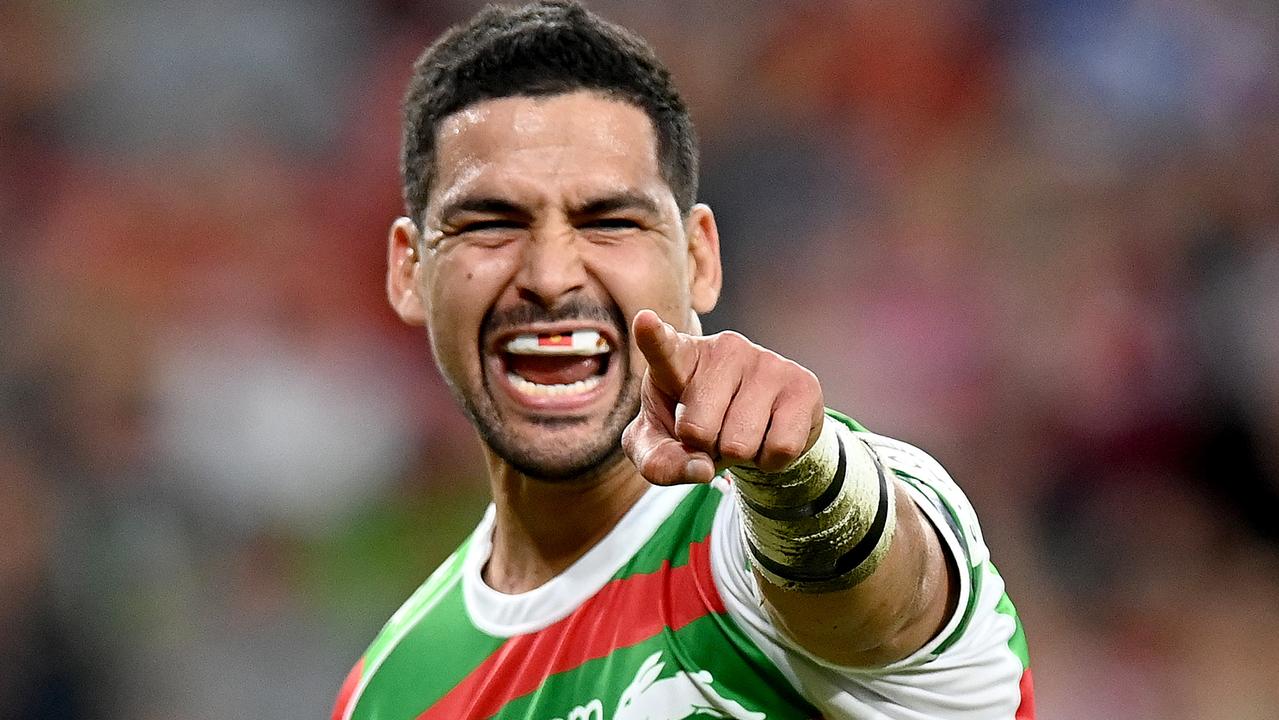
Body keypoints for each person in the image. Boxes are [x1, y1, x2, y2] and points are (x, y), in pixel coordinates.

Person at [332, 2, 1032, 718]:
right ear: (408, 269)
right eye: (489, 223)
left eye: (608, 220)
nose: (548, 274)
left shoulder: (748, 539)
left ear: (699, 258)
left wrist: (802, 483)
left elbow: (878, 593)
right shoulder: (388, 694)